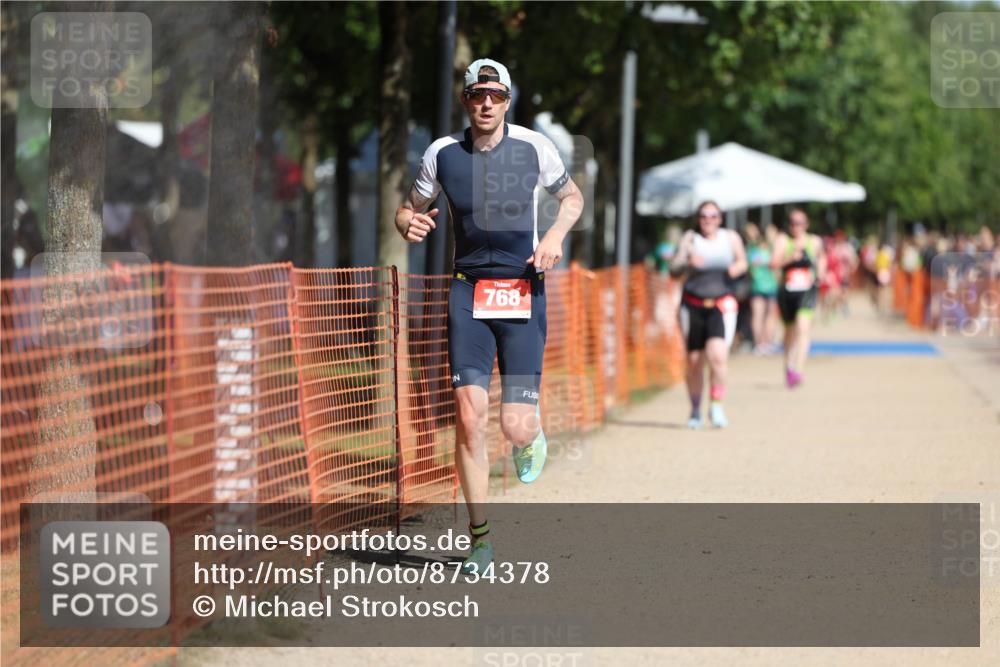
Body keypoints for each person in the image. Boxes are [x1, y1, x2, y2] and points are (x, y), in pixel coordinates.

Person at [394, 59, 583, 574]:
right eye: (478, 95)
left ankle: (530, 434)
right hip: (468, 292)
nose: (486, 103)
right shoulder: (442, 153)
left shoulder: (533, 147)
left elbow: (572, 197)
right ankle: (480, 539)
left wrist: (553, 237)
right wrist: (408, 222)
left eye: (495, 96)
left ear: (506, 101)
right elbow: (407, 207)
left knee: (514, 426)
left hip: (522, 290)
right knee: (469, 418)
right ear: (466, 101)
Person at [670, 201, 748, 429]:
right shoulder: (690, 239)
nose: (708, 220)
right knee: (694, 361)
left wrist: (737, 268)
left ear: (720, 218)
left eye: (713, 216)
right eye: (704, 215)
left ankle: (716, 404)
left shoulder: (730, 238)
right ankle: (695, 409)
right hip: (692, 304)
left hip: (720, 304)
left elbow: (743, 261)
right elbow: (673, 270)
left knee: (719, 357)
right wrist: (687, 262)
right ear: (698, 218)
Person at [771, 208, 827, 388]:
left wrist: (820, 273)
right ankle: (788, 364)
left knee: (803, 328)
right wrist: (790, 258)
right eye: (793, 223)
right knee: (789, 333)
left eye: (800, 223)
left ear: (807, 224)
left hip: (807, 291)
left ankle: (798, 369)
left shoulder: (814, 241)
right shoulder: (783, 240)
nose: (796, 227)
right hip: (787, 292)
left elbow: (821, 259)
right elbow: (773, 264)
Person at [744, 222, 778, 354]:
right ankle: (761, 343)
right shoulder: (754, 249)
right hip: (760, 287)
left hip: (768, 286)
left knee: (767, 315)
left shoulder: (763, 248)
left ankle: (765, 342)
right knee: (760, 315)